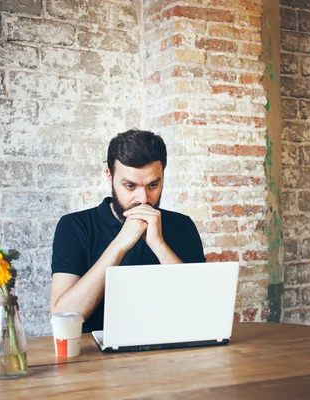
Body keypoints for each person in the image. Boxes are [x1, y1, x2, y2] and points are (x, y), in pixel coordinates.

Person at [49, 129, 206, 333]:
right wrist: (119, 245)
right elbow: (63, 316)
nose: (143, 198)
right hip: (93, 356)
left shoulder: (183, 226)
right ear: (109, 176)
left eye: (153, 185)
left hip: (170, 349)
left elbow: (201, 309)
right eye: (130, 186)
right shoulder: (75, 226)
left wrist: (159, 245)